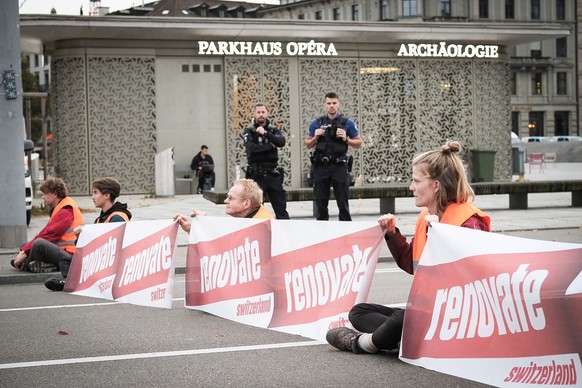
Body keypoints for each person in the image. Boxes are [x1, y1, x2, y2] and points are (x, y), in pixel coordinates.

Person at [325, 141, 491, 354]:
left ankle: (361, 343)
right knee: (358, 312)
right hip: (427, 311)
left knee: (401, 320)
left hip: (457, 316)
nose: (411, 187)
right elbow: (411, 263)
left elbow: (475, 281)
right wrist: (392, 234)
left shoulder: (470, 221)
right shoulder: (425, 218)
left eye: (416, 181)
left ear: (435, 185)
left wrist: (442, 238)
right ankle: (404, 340)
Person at [44, 177, 132, 291]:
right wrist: (80, 237)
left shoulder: (118, 218)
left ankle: (73, 282)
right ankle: (74, 281)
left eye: (95, 193)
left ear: (107, 195)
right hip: (100, 262)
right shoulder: (100, 219)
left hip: (111, 265)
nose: (92, 197)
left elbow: (113, 249)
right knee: (66, 260)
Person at [305, 92, 362, 221]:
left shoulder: (347, 123)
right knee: (321, 203)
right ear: (325, 105)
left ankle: (345, 233)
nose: (332, 106)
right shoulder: (317, 122)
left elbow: (359, 143)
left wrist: (346, 139)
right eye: (329, 103)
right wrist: (315, 136)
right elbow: (308, 144)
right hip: (321, 167)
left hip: (339, 166)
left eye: (334, 103)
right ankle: (322, 233)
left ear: (339, 104)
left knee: (343, 202)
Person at [10, 178, 84, 275]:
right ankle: (39, 264)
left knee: (38, 244)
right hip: (64, 251)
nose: (43, 197)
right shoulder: (60, 207)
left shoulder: (66, 209)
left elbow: (50, 234)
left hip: (70, 256)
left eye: (45, 194)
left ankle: (26, 264)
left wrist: (25, 252)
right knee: (26, 245)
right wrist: (25, 249)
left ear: (55, 194)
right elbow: (46, 233)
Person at [174, 178, 273, 234]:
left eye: (231, 198)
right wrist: (192, 228)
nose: (226, 201)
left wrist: (205, 223)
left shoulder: (261, 227)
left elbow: (225, 246)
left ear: (246, 203)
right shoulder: (254, 218)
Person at [243, 103, 289, 220]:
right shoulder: (249, 131)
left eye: (263, 112)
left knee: (281, 210)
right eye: (258, 112)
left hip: (273, 175)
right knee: (255, 211)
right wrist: (270, 147)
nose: (261, 115)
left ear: (267, 113)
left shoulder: (272, 130)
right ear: (254, 114)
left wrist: (265, 134)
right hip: (256, 175)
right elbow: (251, 149)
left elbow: (281, 142)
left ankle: (285, 236)